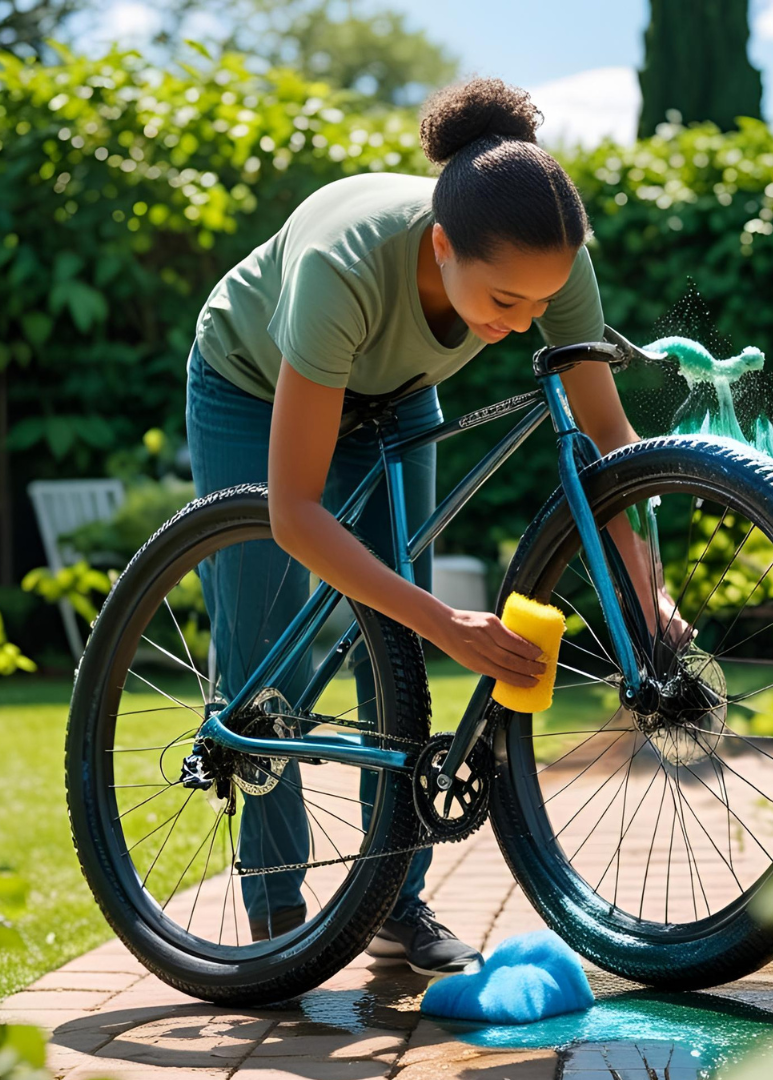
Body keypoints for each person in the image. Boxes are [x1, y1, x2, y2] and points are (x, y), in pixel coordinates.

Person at [185, 75, 687, 977]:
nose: (521, 326)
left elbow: (610, 441)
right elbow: (296, 514)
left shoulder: (548, 258)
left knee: (396, 654)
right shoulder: (345, 266)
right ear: (444, 246)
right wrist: (450, 619)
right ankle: (276, 913)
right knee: (270, 655)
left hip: (397, 398)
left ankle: (394, 904)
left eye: (541, 305)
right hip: (251, 386)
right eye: (502, 304)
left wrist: (649, 593)